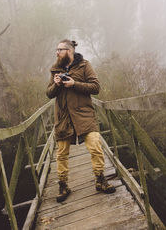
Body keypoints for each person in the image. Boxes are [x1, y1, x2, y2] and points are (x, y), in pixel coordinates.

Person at [46, 39, 116, 202]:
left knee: (96, 148)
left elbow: (95, 87)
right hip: (63, 118)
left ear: (69, 51)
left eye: (60, 50)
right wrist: (56, 84)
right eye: (56, 50)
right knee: (62, 154)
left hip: (85, 115)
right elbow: (49, 94)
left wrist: (74, 84)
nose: (57, 53)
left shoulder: (85, 65)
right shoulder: (55, 70)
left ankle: (100, 180)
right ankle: (63, 186)